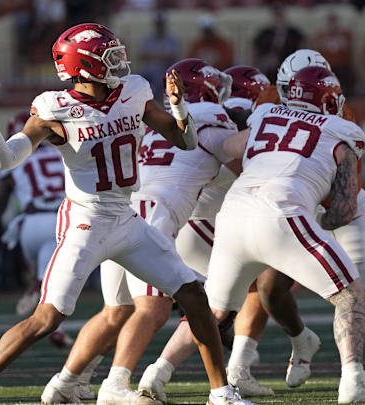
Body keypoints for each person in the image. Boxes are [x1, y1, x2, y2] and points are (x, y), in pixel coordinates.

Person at [0, 23, 249, 405]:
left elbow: (185, 141)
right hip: (85, 222)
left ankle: (221, 394)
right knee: (47, 318)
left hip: (127, 217)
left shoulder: (134, 90)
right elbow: (5, 160)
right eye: (109, 55)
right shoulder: (55, 108)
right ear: (84, 65)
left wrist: (178, 106)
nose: (119, 60)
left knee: (193, 295)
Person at [141, 51, 365, 400]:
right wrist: (317, 231)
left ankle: (156, 374)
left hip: (235, 214)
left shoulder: (265, 112)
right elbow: (344, 209)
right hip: (285, 211)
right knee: (350, 294)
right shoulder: (342, 127)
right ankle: (354, 381)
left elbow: (232, 141)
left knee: (213, 307)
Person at [40, 58, 238, 405]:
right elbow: (237, 164)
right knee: (152, 308)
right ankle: (116, 384)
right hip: (153, 213)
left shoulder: (152, 115)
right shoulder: (212, 120)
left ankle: (63, 383)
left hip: (125, 207)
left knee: (115, 310)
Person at [0, 112, 74, 349]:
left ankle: (41, 293)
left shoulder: (14, 158)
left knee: (50, 281)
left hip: (29, 223)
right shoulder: (61, 153)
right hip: (61, 221)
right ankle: (40, 288)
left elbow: (0, 203)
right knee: (57, 283)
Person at [252, 2, 303, 83]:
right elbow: (256, 54)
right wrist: (263, 61)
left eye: (281, 11)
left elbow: (301, 54)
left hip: (288, 67)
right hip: (268, 69)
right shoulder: (264, 34)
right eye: (277, 11)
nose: (279, 14)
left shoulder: (294, 34)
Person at [311, 13, 355, 95]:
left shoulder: (345, 34)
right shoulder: (320, 36)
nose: (332, 25)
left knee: (346, 71)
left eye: (334, 22)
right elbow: (316, 51)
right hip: (326, 67)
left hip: (342, 66)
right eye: (330, 22)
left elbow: (349, 51)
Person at [139, 12, 180, 100]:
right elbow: (142, 56)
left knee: (160, 82)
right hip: (149, 72)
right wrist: (161, 56)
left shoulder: (172, 39)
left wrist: (153, 56)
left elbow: (172, 59)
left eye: (161, 24)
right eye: (158, 24)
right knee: (139, 81)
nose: (159, 26)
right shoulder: (147, 39)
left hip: (165, 72)